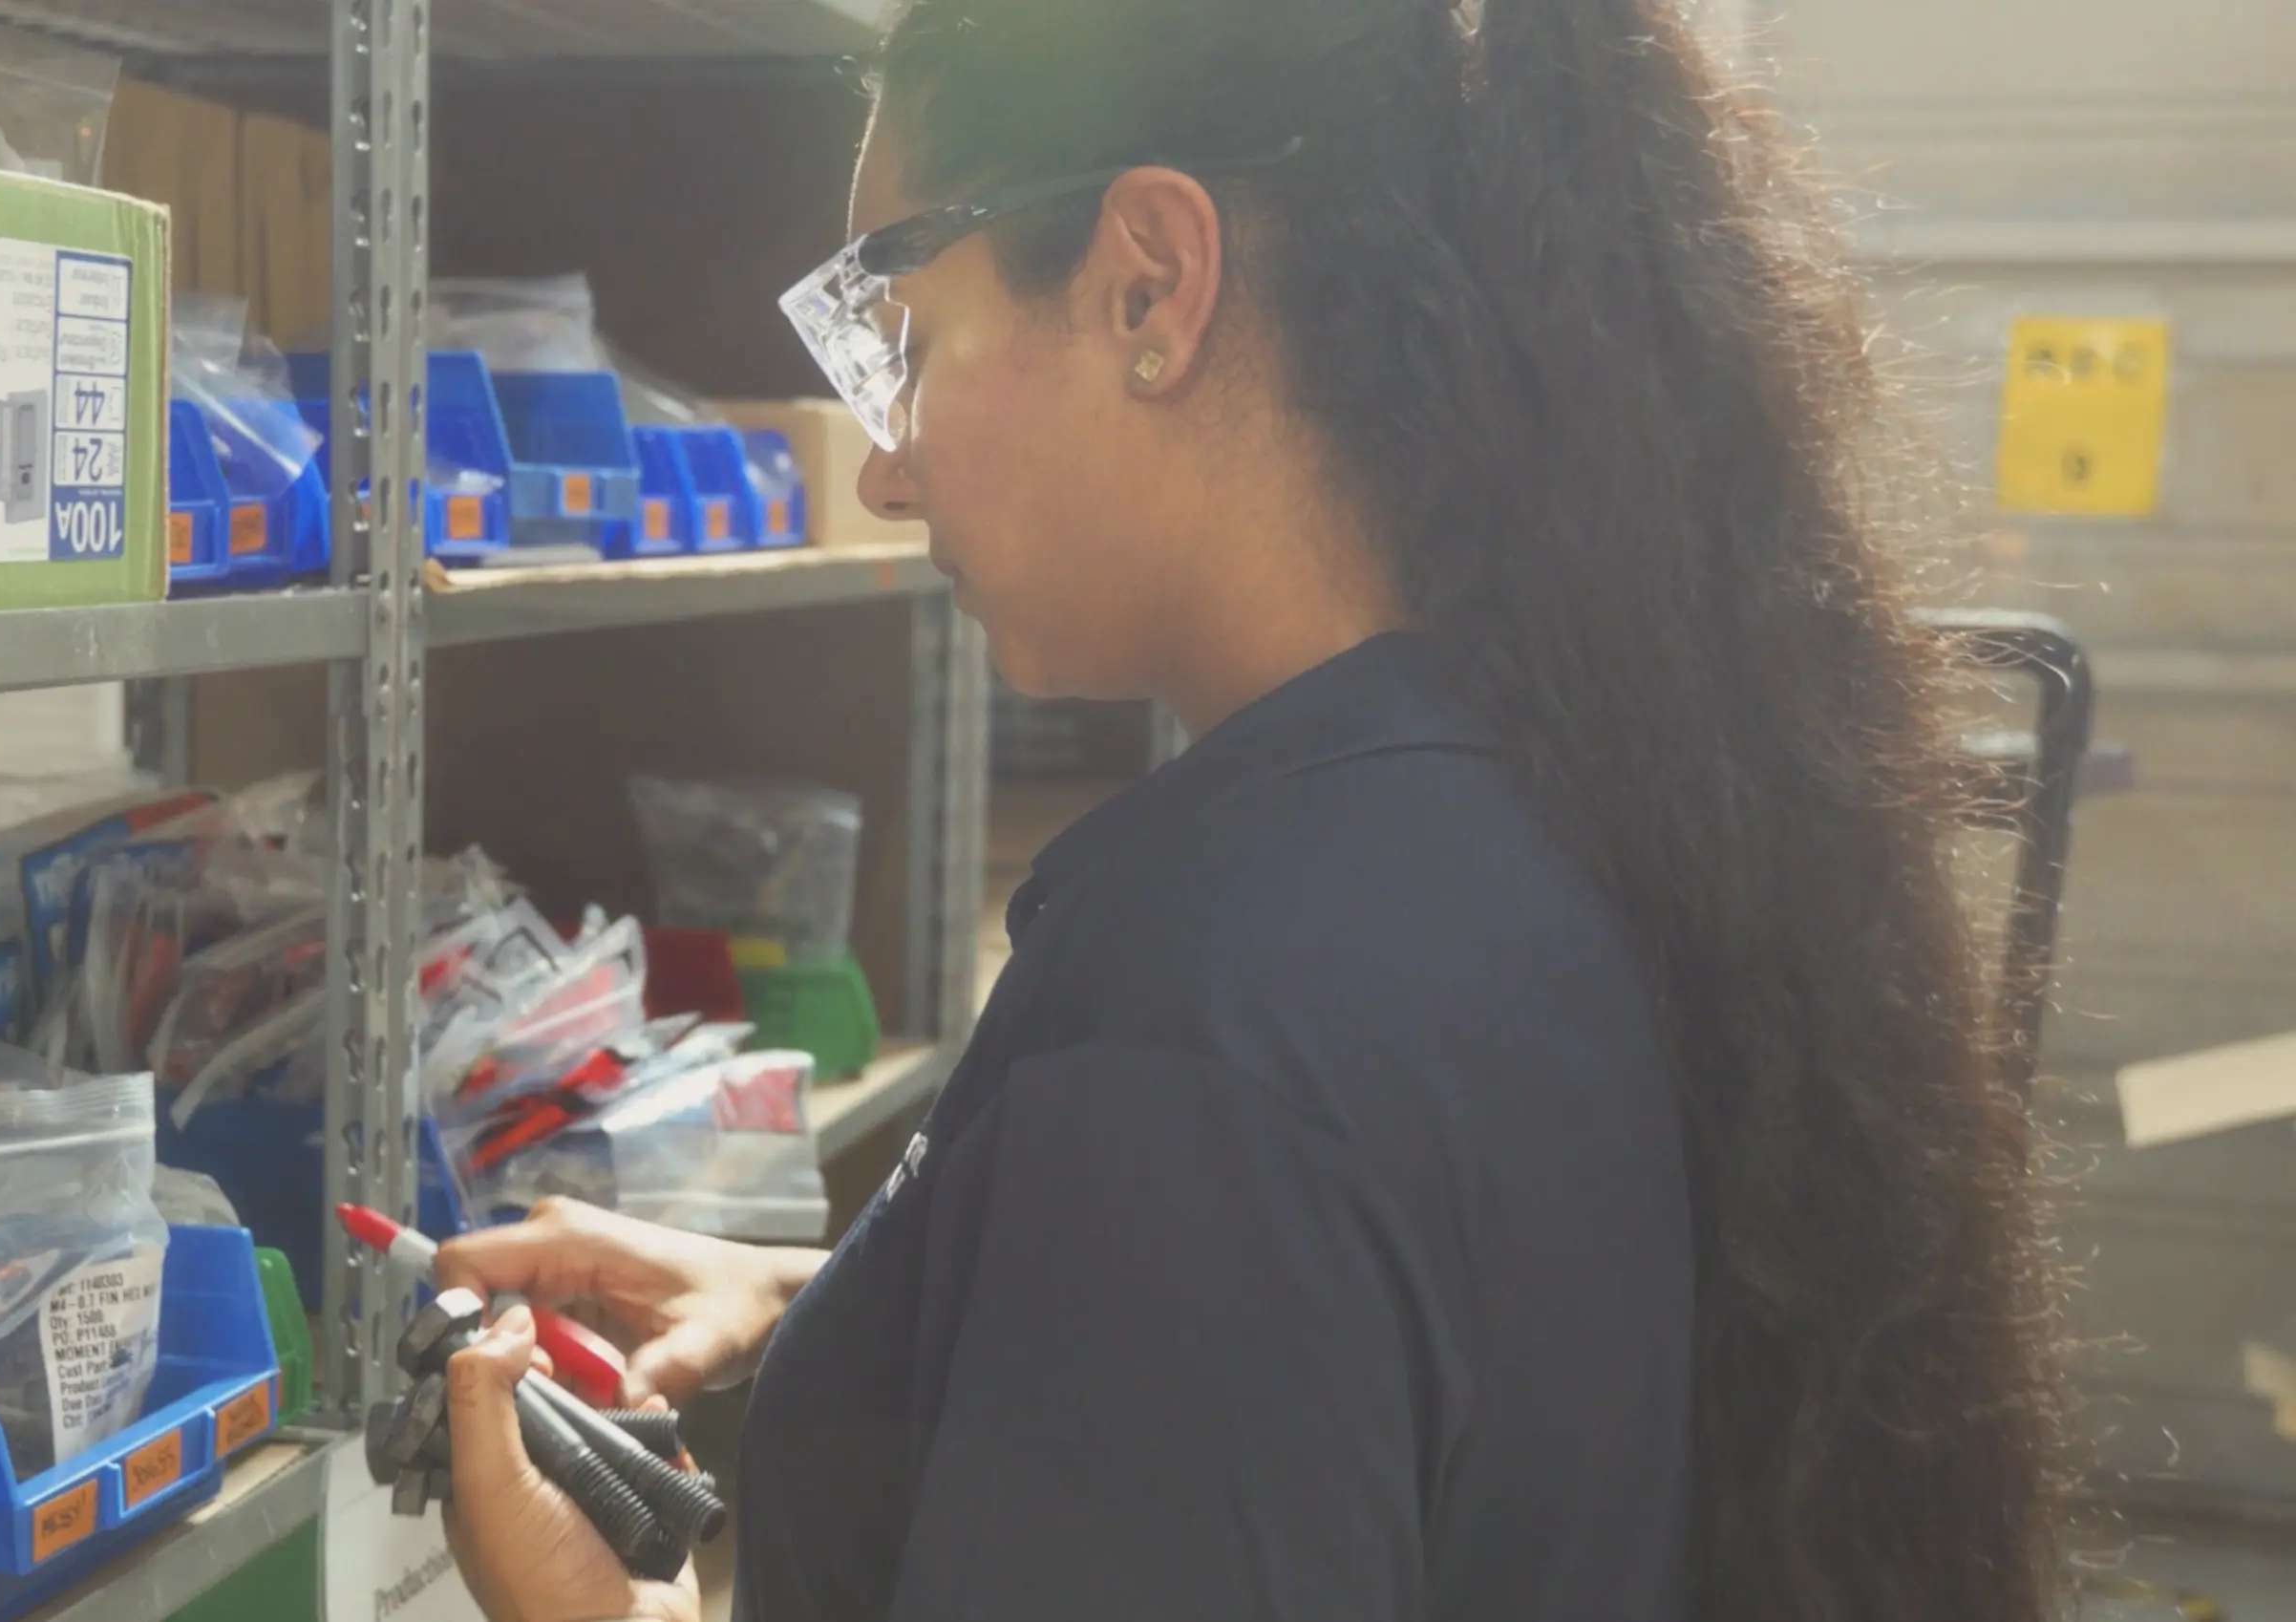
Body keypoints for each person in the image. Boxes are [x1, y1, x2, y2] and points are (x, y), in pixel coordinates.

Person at [431, 0, 2067, 1617]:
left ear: (1152, 278)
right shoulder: (1560, 804)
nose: (886, 466)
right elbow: (1421, 1375)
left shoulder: (1210, 1035)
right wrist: (863, 1309)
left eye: (906, 345)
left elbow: (1247, 1246)